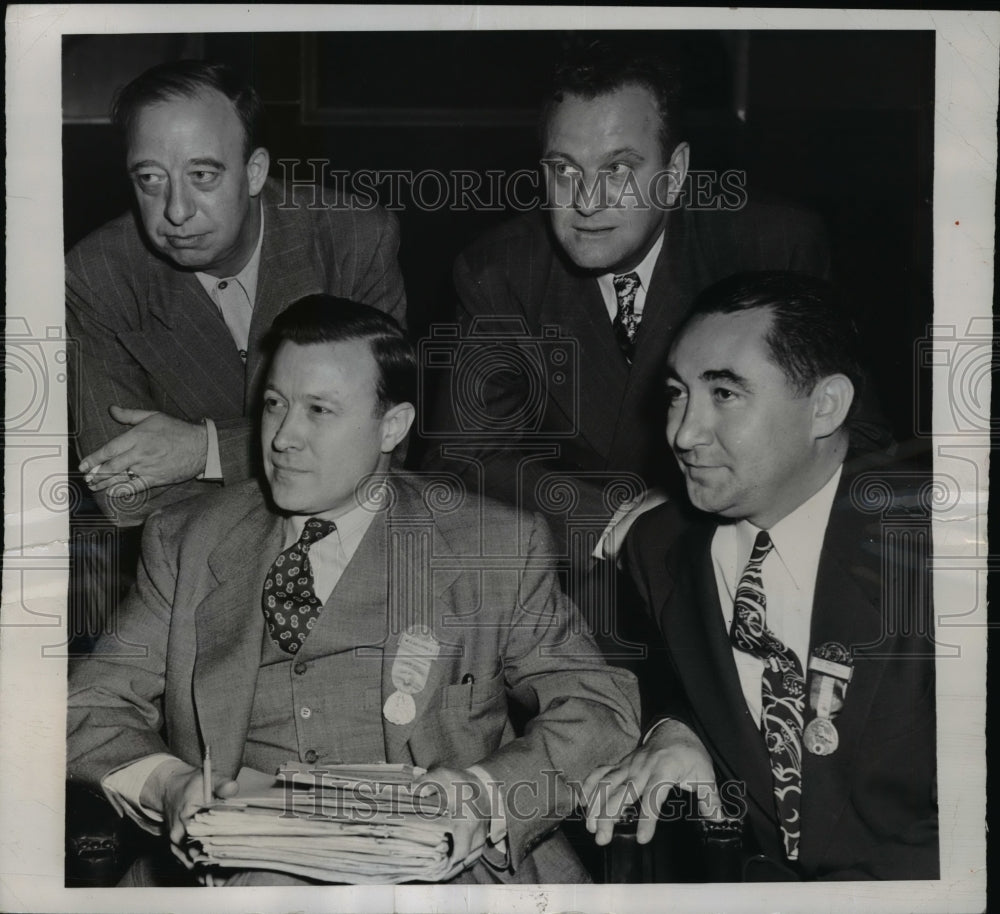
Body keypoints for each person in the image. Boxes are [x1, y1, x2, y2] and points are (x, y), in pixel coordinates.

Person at [67, 296, 641, 886]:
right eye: (274, 405)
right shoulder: (187, 538)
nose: (283, 437)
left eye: (319, 410)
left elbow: (600, 708)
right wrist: (168, 786)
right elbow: (88, 707)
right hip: (244, 873)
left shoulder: (495, 545)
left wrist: (483, 793)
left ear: (392, 426)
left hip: (449, 878)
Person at [582, 272, 938, 880]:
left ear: (825, 406)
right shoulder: (655, 545)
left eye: (724, 394)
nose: (683, 433)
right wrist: (674, 728)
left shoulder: (939, 548)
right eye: (677, 394)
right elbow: (645, 667)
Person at [423, 43, 830, 566]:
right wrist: (617, 522)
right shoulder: (500, 270)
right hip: (582, 564)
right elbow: (462, 456)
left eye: (617, 170)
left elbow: (847, 436)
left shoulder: (773, 247)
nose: (587, 201)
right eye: (564, 171)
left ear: (675, 170)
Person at [67, 59, 406, 527]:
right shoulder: (95, 274)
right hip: (194, 565)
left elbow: (386, 441)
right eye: (150, 178)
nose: (177, 211)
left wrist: (204, 450)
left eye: (202, 175)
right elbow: (122, 492)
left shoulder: (352, 238)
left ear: (254, 172)